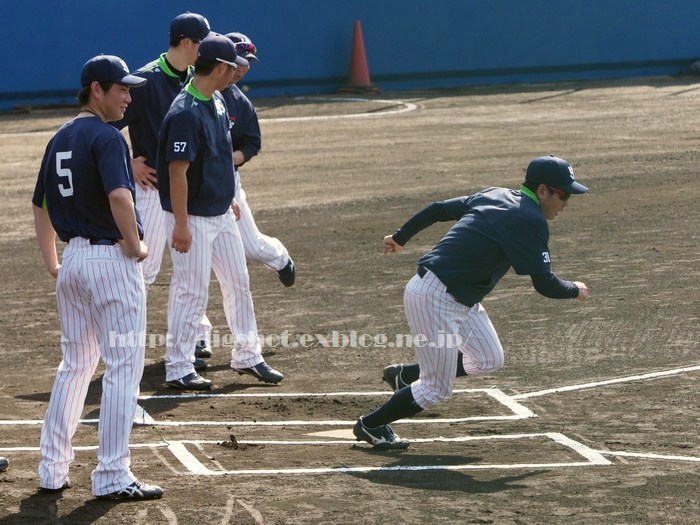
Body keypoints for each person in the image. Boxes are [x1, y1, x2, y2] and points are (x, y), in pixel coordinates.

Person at [352, 155, 590, 449]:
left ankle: (405, 374)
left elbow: (438, 210)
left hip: (459, 298)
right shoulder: (530, 220)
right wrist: (574, 289)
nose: (566, 202)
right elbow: (545, 285)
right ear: (543, 190)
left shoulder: (495, 194)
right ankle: (371, 424)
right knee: (436, 389)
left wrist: (400, 237)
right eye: (563, 195)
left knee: (489, 357)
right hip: (434, 299)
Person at [32, 55, 163, 499]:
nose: (128, 96)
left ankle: (52, 470)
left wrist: (54, 261)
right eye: (120, 88)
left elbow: (40, 205)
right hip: (110, 262)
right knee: (124, 367)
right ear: (96, 90)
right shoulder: (106, 137)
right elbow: (119, 196)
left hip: (73, 262)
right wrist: (137, 245)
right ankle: (111, 475)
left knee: (75, 366)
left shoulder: (59, 138)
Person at [157, 34, 284, 390]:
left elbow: (217, 157)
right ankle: (178, 366)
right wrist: (181, 224)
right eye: (234, 67)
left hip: (220, 212)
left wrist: (226, 194)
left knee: (238, 283)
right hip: (193, 217)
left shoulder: (215, 100)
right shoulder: (185, 111)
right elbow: (177, 171)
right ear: (223, 67)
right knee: (192, 291)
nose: (238, 73)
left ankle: (247, 355)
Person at [112, 12, 212, 371]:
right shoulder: (146, 81)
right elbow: (106, 126)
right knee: (147, 269)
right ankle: (125, 345)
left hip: (187, 190)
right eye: (202, 42)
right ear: (187, 43)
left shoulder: (193, 79)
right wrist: (130, 162)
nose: (206, 48)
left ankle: (198, 332)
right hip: (153, 191)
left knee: (193, 269)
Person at [194, 31, 295, 372]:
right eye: (237, 62)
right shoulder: (194, 97)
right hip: (197, 192)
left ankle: (279, 256)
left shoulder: (237, 102)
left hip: (227, 186)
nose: (241, 69)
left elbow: (252, 143)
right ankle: (196, 340)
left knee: (250, 251)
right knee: (190, 276)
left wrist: (232, 161)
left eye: (246, 65)